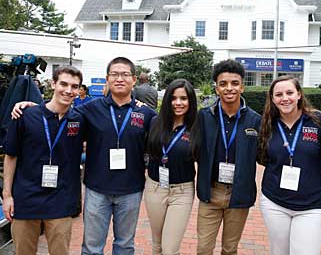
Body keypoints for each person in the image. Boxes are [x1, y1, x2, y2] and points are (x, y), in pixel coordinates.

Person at [11, 57, 157, 254]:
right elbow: (59, 111)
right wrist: (32, 105)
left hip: (131, 190)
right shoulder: (89, 110)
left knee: (125, 245)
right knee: (92, 248)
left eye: (125, 75)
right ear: (107, 78)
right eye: (114, 74)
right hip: (97, 189)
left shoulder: (146, 114)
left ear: (133, 80)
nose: (119, 78)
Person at [2, 66, 85, 255]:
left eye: (74, 86)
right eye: (63, 84)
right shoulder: (25, 115)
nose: (68, 90)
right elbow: (11, 156)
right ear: (53, 84)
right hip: (26, 199)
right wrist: (7, 196)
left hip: (61, 201)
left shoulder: (80, 120)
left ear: (79, 90)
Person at [194, 59, 261, 255]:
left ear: (242, 87)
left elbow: (266, 155)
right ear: (216, 89)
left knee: (230, 249)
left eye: (234, 83)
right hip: (210, 192)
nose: (229, 88)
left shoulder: (255, 120)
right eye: (223, 84)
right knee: (203, 248)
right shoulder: (204, 116)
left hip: (238, 194)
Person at [257, 75, 321, 255]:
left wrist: (310, 169)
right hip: (274, 202)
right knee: (279, 251)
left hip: (312, 205)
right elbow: (262, 157)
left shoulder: (318, 120)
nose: (285, 98)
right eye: (278, 94)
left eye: (289, 92)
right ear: (272, 99)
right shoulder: (267, 124)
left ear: (299, 94)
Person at [144, 78, 197, 254]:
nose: (178, 103)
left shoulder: (197, 127)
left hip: (182, 191)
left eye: (183, 98)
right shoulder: (154, 122)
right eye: (173, 98)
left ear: (191, 100)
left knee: (170, 249)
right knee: (157, 245)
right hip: (155, 188)